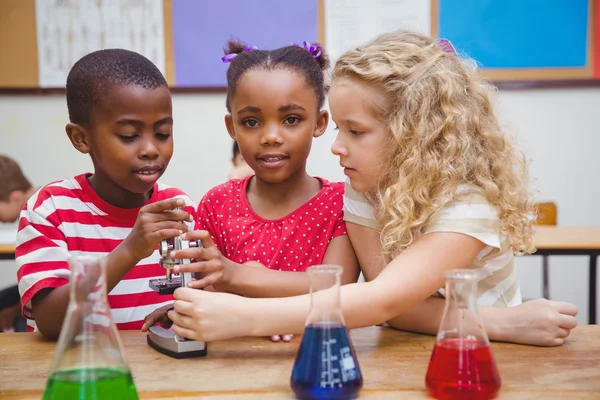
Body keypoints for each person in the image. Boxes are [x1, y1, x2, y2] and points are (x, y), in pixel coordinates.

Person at [161, 31, 578, 347]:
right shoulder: (364, 190)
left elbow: (378, 301)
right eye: (340, 128)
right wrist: (503, 321)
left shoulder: (468, 204)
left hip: (484, 354)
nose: (337, 146)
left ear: (416, 134)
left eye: (356, 131)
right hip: (405, 350)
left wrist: (245, 317)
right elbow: (395, 310)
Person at [142, 40, 359, 342]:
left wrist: (241, 276)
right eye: (251, 122)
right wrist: (183, 306)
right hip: (232, 367)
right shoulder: (217, 203)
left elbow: (337, 287)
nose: (270, 136)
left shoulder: (343, 203)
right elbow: (206, 289)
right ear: (232, 127)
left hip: (315, 360)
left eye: (291, 119)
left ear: (320, 123)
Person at [15, 49, 222, 339]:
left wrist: (189, 305)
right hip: (82, 376)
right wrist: (129, 250)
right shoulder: (51, 209)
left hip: (164, 374)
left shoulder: (178, 206)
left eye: (162, 133)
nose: (151, 148)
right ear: (81, 138)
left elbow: (201, 294)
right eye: (128, 136)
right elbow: (50, 322)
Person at [0, 155, 35, 332]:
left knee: (18, 315)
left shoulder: (39, 211)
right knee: (4, 298)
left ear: (15, 197)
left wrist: (15, 311)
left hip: (57, 293)